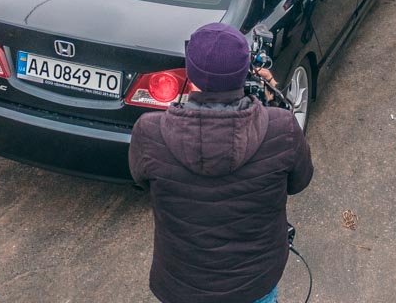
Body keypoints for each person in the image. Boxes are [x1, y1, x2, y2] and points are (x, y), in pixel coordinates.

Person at [128, 23, 313, 303]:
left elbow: (140, 180)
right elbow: (300, 180)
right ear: (244, 71)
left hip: (180, 286)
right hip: (254, 283)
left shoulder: (149, 132)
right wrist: (275, 101)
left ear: (191, 73)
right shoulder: (282, 128)